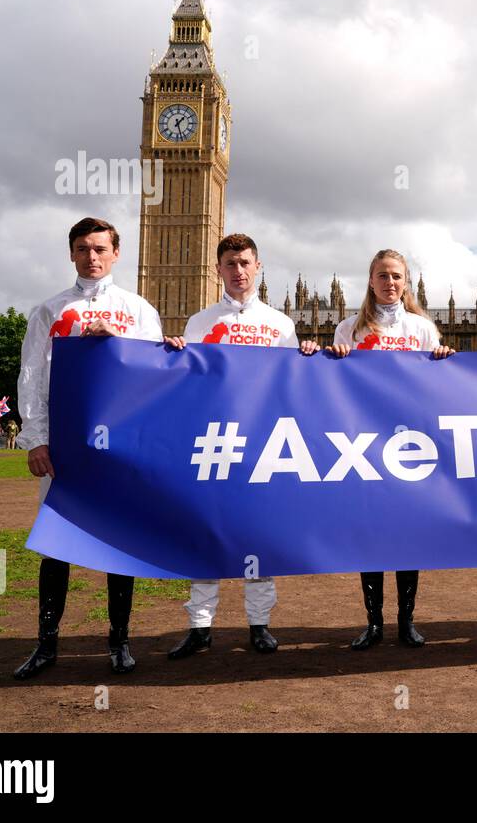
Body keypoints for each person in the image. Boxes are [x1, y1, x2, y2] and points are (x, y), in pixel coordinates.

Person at [13, 217, 164, 679]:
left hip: (119, 447)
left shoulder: (139, 311)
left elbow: (155, 376)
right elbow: (33, 378)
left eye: (100, 248)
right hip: (66, 445)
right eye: (83, 248)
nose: (92, 256)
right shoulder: (51, 311)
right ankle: (46, 645)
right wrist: (36, 438)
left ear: (116, 253)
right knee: (57, 546)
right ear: (72, 254)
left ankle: (119, 643)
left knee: (119, 544)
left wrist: (116, 344)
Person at [164, 234, 319, 660]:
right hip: (213, 441)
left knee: (257, 537)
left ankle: (259, 625)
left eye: (245, 262)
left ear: (258, 266)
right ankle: (200, 627)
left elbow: (292, 384)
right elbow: (186, 384)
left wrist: (306, 353)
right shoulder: (199, 323)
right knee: (205, 534)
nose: (238, 270)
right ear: (218, 269)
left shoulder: (281, 325)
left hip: (261, 444)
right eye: (230, 263)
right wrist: (173, 354)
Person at [326, 249, 454, 650]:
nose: (390, 282)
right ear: (371, 280)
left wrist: (445, 360)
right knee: (371, 536)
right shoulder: (349, 329)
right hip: (363, 444)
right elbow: (332, 388)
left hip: (411, 444)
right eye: (382, 275)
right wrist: (331, 359)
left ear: (406, 282)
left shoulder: (422, 329)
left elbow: (437, 387)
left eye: (396, 276)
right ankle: (374, 624)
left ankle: (406, 622)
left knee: (407, 535)